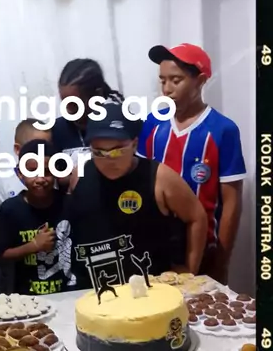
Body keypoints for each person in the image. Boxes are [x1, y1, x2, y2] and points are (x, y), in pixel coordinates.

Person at [60, 102, 208, 292]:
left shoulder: (160, 177)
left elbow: (197, 217)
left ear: (134, 144)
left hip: (150, 290)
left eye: (117, 150)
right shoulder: (80, 174)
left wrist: (189, 272)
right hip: (94, 289)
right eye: (99, 152)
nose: (109, 159)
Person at [138, 44, 246, 284]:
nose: (167, 89)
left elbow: (231, 201)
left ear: (201, 81)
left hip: (205, 248)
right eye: (162, 80)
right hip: (156, 249)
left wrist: (222, 261)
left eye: (176, 80)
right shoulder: (152, 124)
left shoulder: (222, 130)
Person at [0, 140, 71, 295]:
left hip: (68, 293)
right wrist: (34, 245)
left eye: (46, 171)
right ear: (20, 173)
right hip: (26, 297)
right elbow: (1, 255)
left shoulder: (68, 204)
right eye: (32, 171)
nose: (40, 179)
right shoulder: (10, 209)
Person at [52, 58, 124, 167]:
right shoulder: (57, 131)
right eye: (65, 103)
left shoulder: (121, 125)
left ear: (98, 95)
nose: (68, 111)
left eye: (75, 105)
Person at [0, 118, 52, 228]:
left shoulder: (52, 177)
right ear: (18, 149)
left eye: (47, 146)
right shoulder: (2, 183)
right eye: (34, 147)